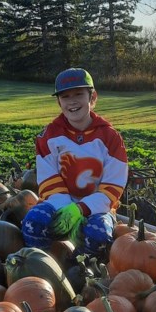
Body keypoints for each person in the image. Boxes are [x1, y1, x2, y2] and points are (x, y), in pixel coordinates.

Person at [20, 68, 128, 259]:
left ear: (92, 97)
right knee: (33, 223)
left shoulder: (110, 137)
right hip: (58, 203)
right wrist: (66, 207)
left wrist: (81, 209)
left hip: (97, 208)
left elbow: (113, 185)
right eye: (65, 96)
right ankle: (41, 267)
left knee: (98, 234)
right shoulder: (49, 136)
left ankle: (84, 274)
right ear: (59, 102)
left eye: (79, 94)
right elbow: (48, 180)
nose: (72, 101)